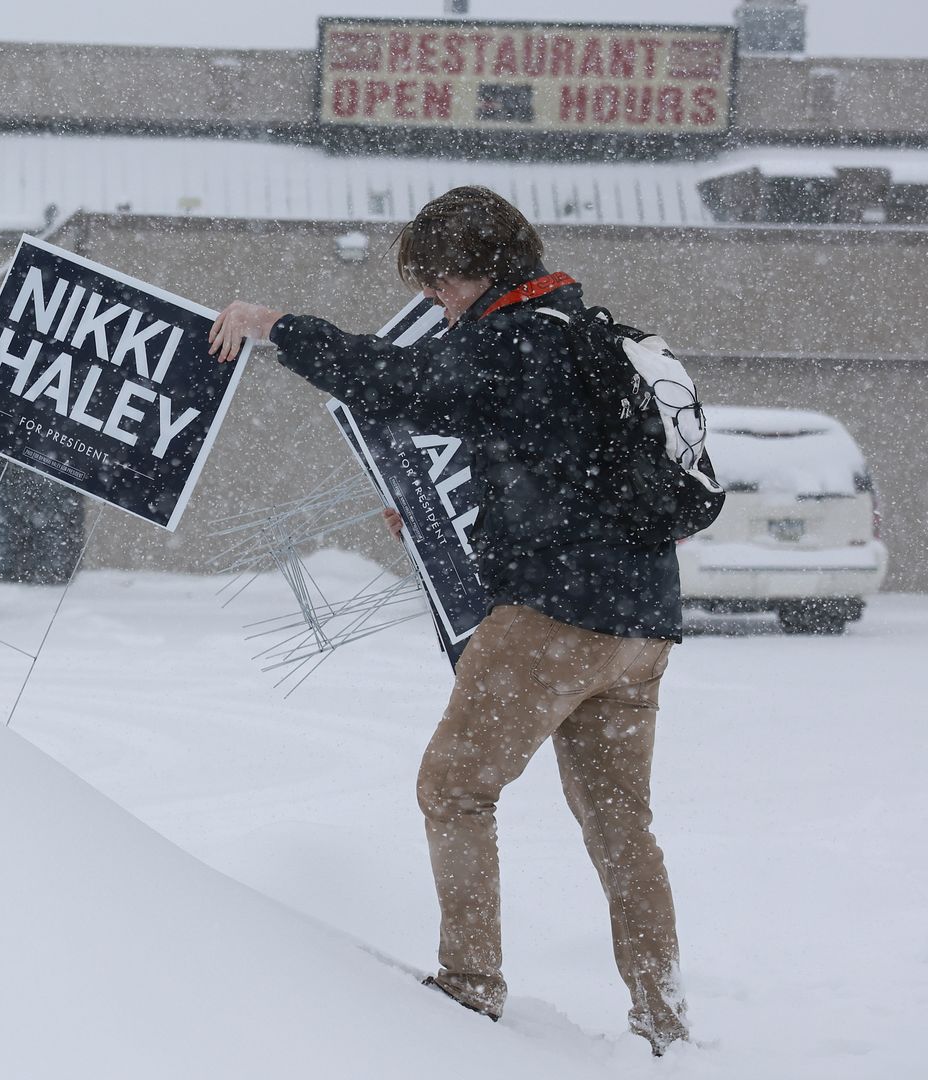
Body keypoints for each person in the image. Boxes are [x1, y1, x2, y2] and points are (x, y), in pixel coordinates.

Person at [207, 186, 689, 1056]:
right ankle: (665, 1022)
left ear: (479, 272)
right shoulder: (581, 331)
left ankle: (469, 987)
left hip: (556, 618)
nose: (435, 303)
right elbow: (545, 464)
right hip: (642, 622)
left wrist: (281, 325)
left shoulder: (512, 340)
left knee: (453, 789)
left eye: (439, 286)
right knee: (622, 824)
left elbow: (395, 383)